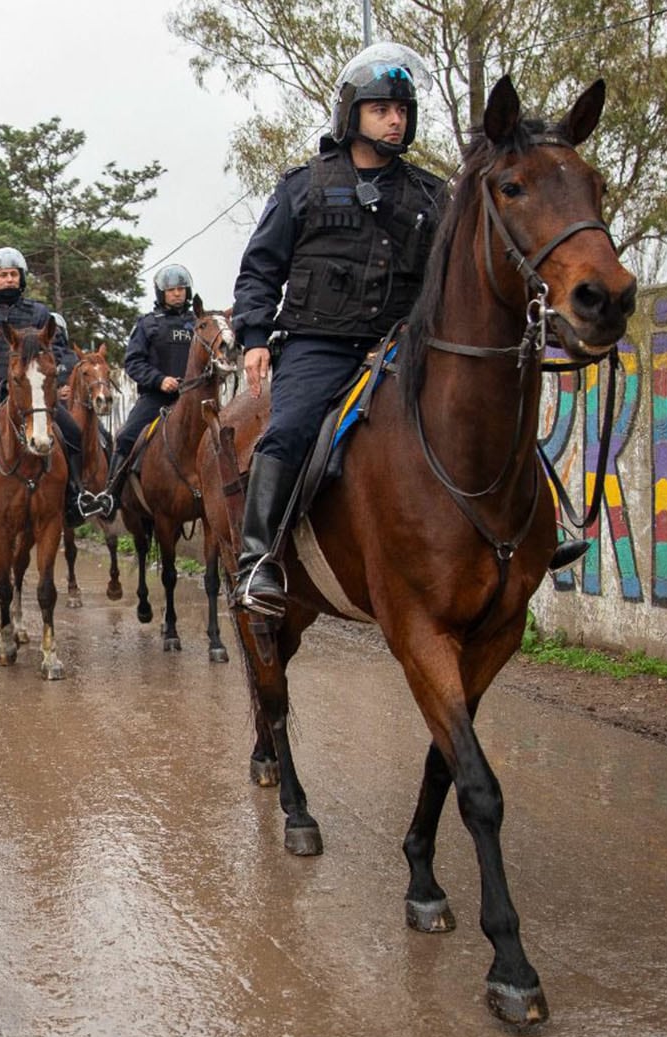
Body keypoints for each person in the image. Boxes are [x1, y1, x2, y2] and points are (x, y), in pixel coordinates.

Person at [230, 42, 450, 618]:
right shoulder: (302, 186)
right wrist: (254, 337)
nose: (395, 119)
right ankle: (257, 562)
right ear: (351, 113)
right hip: (318, 344)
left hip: (402, 347)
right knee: (288, 430)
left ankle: (535, 532)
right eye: (381, 108)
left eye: (402, 110)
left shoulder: (431, 194)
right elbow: (259, 270)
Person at [0, 247, 96, 523]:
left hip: (35, 394)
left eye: (13, 274)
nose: (9, 279)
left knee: (73, 433)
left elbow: (60, 351)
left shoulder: (39, 312)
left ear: (22, 278)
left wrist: (61, 380)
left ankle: (76, 494)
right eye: (3, 275)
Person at [101, 264, 200, 516]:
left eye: (181, 289)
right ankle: (110, 497)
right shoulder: (147, 325)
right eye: (171, 290)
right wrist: (159, 380)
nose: (177, 294)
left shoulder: (199, 323)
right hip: (157, 397)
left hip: (194, 398)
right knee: (125, 437)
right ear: (161, 293)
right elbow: (133, 362)